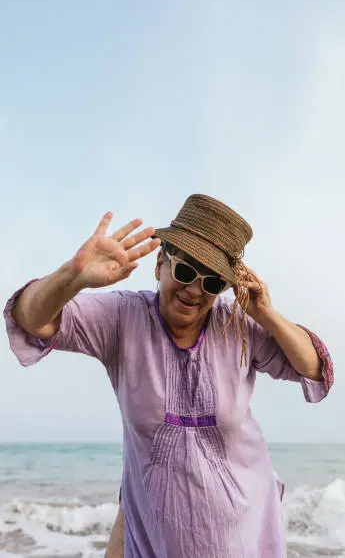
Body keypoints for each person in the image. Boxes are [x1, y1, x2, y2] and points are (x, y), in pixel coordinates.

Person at [4, 194, 333, 558]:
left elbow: (314, 368)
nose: (194, 290)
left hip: (248, 536)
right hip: (155, 540)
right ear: (161, 262)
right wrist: (71, 277)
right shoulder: (122, 319)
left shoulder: (237, 326)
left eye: (212, 283)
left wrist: (266, 313)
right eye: (186, 271)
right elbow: (31, 320)